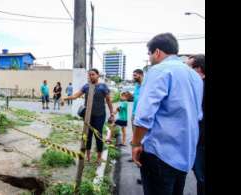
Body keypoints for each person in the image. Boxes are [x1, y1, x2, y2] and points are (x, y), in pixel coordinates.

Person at [131, 33, 203, 195]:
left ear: (157, 52)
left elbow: (143, 117)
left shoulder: (159, 71)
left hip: (160, 154)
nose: (149, 59)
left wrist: (136, 144)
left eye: (149, 54)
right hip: (185, 155)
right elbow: (197, 115)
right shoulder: (195, 76)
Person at [62, 68, 114, 164]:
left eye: (93, 74)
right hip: (88, 116)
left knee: (98, 136)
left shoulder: (103, 87)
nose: (90, 76)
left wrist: (112, 113)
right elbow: (75, 96)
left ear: (98, 75)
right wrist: (65, 98)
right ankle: (88, 157)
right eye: (89, 75)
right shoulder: (86, 86)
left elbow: (108, 101)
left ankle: (99, 158)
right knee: (87, 136)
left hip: (100, 115)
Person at [186, 54, 205, 195]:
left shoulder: (199, 87)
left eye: (189, 68)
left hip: (201, 142)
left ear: (199, 69)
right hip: (199, 141)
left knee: (202, 177)